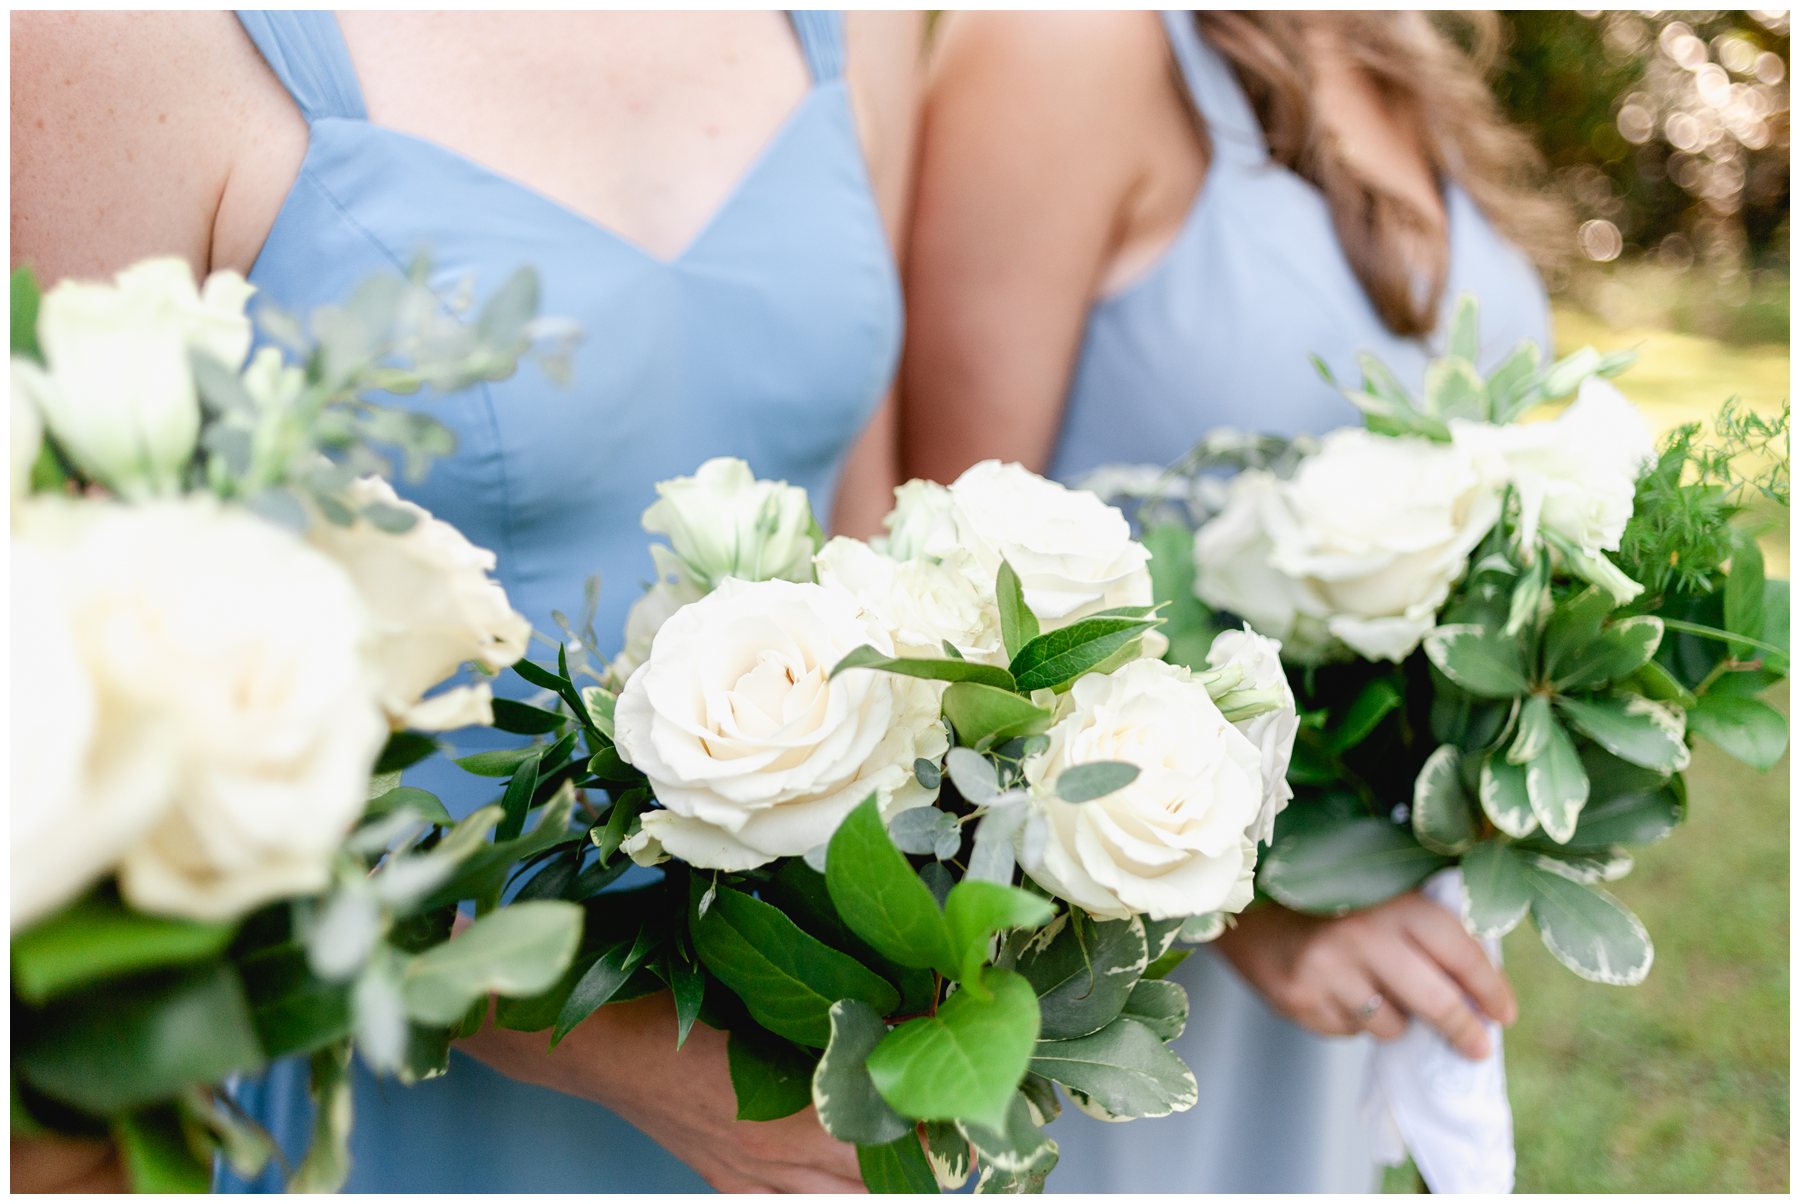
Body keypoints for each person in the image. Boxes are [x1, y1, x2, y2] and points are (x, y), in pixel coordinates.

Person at [11, 9, 921, 1191]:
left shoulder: (867, 23)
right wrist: (618, 1055)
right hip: (378, 1092)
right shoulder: (114, 45)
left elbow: (877, 563)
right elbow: (59, 756)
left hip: (794, 1069)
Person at [902, 10, 1563, 1192]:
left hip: (1346, 940)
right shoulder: (1065, 46)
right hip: (1103, 956)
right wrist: (1254, 905)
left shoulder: (1394, 43)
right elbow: (937, 600)